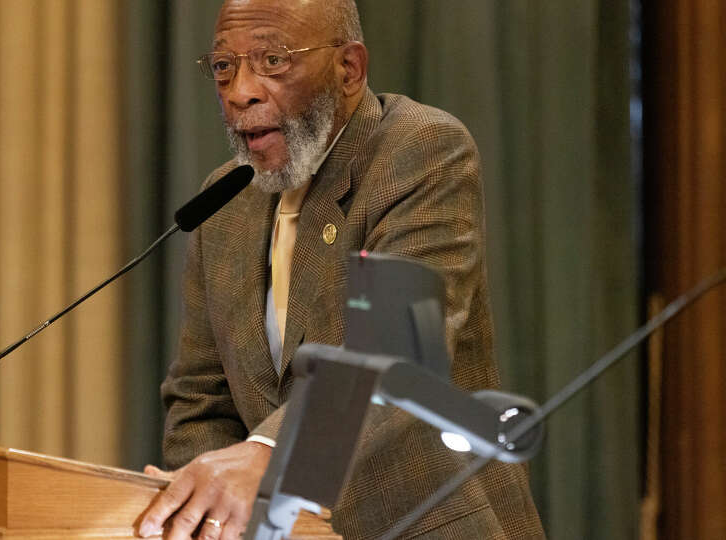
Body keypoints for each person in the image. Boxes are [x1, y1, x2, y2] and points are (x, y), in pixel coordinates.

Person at [139, 1, 545, 538]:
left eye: (272, 60)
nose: (241, 92)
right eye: (223, 67)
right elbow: (201, 398)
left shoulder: (418, 151)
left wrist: (266, 455)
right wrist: (208, 513)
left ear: (349, 69)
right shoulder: (226, 202)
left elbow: (392, 353)